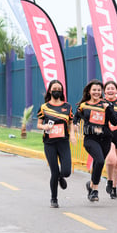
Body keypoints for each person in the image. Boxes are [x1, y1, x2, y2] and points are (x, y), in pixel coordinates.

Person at [73, 79, 117, 202]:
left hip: (105, 139)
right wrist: (75, 125)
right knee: (99, 160)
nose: (96, 92)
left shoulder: (106, 104)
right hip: (90, 139)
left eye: (99, 90)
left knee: (98, 163)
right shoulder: (84, 105)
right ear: (89, 91)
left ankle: (91, 185)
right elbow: (75, 118)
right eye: (94, 90)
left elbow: (114, 122)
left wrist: (108, 109)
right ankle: (95, 190)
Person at [37, 80, 76, 208]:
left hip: (63, 142)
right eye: (54, 88)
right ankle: (54, 199)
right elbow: (38, 124)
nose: (57, 90)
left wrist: (73, 135)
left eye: (59, 89)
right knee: (54, 171)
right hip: (50, 143)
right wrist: (44, 127)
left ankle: (61, 177)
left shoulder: (67, 107)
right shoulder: (44, 107)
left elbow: (71, 122)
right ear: (50, 91)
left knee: (66, 171)